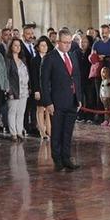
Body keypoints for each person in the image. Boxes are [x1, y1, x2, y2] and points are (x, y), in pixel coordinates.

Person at [41, 28, 83, 171]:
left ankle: (66, 158)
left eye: (69, 42)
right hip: (57, 102)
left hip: (72, 100)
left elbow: (76, 78)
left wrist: (79, 98)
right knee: (57, 132)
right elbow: (44, 82)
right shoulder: (49, 58)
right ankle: (57, 159)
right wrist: (48, 102)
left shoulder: (72, 56)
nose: (67, 45)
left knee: (68, 132)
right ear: (57, 42)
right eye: (65, 42)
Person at [6, 38, 29, 141]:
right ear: (11, 47)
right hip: (14, 89)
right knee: (12, 111)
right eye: (15, 45)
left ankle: (19, 131)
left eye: (19, 45)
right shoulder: (8, 60)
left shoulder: (22, 59)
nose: (18, 47)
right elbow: (6, 76)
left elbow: (27, 73)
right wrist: (9, 90)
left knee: (21, 112)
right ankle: (13, 133)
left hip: (24, 89)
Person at [31, 36, 53, 140]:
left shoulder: (50, 59)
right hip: (39, 88)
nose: (44, 47)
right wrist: (36, 90)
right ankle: (42, 132)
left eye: (45, 45)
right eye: (42, 46)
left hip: (49, 88)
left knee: (48, 109)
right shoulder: (34, 60)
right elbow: (34, 76)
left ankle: (49, 130)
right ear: (38, 47)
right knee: (40, 109)